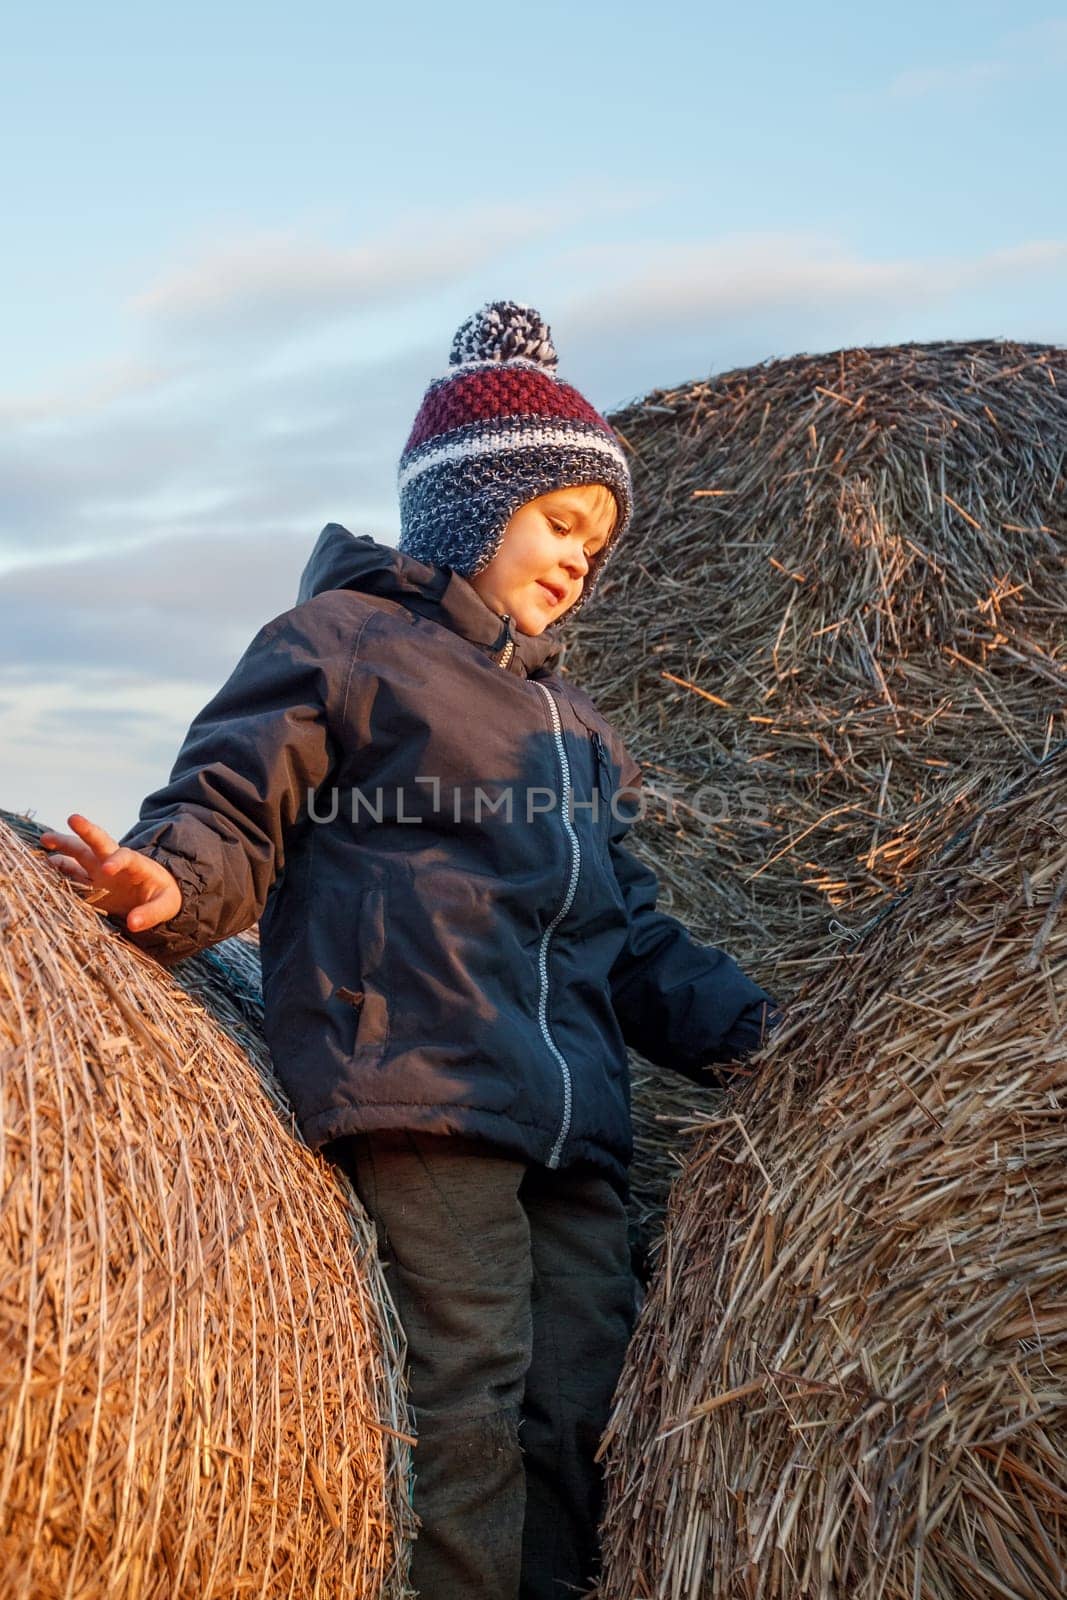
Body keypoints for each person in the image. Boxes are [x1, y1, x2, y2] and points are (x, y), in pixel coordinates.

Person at [41, 301, 778, 1600]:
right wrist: (163, 886)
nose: (579, 564)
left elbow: (633, 931)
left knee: (578, 1419)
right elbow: (230, 806)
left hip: (574, 1133)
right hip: (425, 1093)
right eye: (560, 522)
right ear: (469, 510)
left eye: (597, 546)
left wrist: (768, 1039)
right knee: (467, 1408)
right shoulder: (341, 649)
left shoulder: (575, 730)